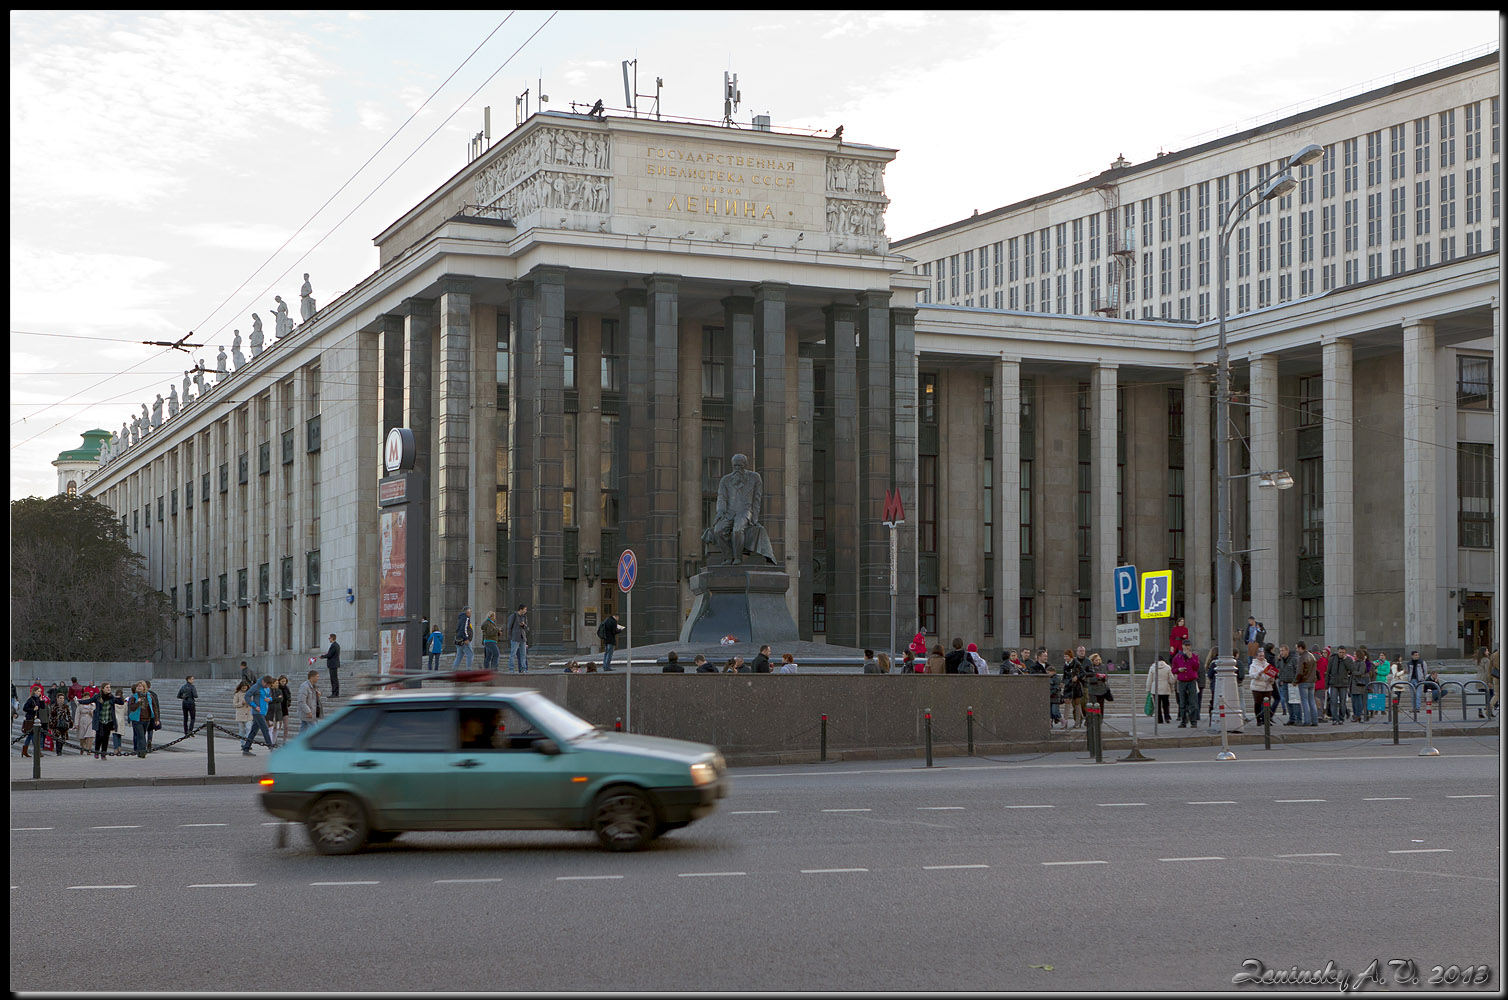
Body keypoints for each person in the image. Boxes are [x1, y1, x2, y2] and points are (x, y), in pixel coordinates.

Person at [78, 683, 123, 760]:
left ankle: (103, 753)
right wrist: (80, 701)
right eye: (107, 687)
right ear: (102, 688)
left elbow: (121, 702)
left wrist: (120, 697)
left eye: (109, 687)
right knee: (100, 736)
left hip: (108, 720)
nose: (109, 689)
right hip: (100, 720)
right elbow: (89, 700)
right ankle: (97, 751)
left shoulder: (111, 697)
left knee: (106, 737)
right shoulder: (97, 696)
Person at [241, 676, 275, 756]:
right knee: (265, 729)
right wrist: (254, 706)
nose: (268, 687)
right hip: (257, 712)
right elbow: (247, 696)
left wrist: (269, 699)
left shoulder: (267, 688)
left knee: (253, 731)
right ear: (263, 682)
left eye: (269, 685)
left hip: (263, 711)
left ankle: (246, 748)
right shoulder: (256, 687)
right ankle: (270, 747)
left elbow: (269, 697)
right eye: (267, 685)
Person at [1171, 640, 1201, 728]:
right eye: (1186, 645)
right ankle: (1183, 721)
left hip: (1191, 680)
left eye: (1189, 646)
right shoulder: (1177, 657)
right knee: (1182, 702)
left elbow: (1196, 667)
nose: (1187, 647)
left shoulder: (1194, 656)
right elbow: (1173, 669)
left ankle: (1193, 721)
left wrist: (1190, 658)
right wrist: (1178, 670)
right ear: (1183, 646)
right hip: (1182, 681)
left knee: (1193, 702)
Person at [1249, 651, 1278, 727]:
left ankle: (1266, 720)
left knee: (1267, 704)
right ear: (1256, 657)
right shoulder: (1253, 665)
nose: (1261, 657)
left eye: (1262, 656)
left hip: (1267, 687)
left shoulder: (1267, 665)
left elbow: (1272, 675)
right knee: (1258, 703)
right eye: (1260, 656)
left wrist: (1272, 679)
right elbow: (1251, 675)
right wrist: (1258, 674)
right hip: (1257, 687)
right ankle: (1258, 720)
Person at [20, 684, 49, 757]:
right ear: (35, 691)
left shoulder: (38, 699)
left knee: (30, 736)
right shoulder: (31, 699)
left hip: (36, 719)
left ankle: (25, 751)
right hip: (30, 718)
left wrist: (41, 700)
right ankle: (37, 751)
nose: (40, 692)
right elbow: (25, 708)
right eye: (38, 691)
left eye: (40, 691)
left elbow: (42, 707)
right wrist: (33, 709)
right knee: (33, 735)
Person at [1327, 647, 1353, 724]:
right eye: (1340, 652)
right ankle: (1335, 718)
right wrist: (1327, 684)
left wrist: (1345, 660)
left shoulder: (1348, 660)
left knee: (1342, 702)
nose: (1341, 654)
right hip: (1334, 683)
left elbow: (1352, 669)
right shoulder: (1332, 659)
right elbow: (1328, 671)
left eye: (1343, 652)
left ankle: (1341, 717)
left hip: (1343, 683)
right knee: (1333, 701)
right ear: (1338, 652)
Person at [1062, 649, 1087, 729]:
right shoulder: (1065, 665)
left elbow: (1083, 673)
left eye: (1067, 656)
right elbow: (1064, 675)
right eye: (1064, 656)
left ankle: (1077, 722)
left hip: (1076, 686)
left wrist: (1077, 677)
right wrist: (1063, 682)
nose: (1065, 658)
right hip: (1068, 686)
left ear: (1071, 656)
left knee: (1077, 704)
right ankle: (1064, 722)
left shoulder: (1076, 663)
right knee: (1067, 703)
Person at [1295, 643, 1318, 727]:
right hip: (1312, 681)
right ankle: (1315, 720)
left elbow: (1300, 672)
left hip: (1304, 681)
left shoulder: (1302, 657)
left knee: (1305, 701)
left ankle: (1307, 720)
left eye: (1297, 648)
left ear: (1301, 648)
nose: (1296, 650)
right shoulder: (1312, 656)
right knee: (1312, 701)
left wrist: (1296, 680)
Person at [127, 681, 152, 758]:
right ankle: (142, 752)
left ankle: (139, 750)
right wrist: (137, 703)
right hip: (137, 720)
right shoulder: (134, 697)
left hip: (146, 719)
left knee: (141, 735)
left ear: (144, 687)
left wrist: (156, 718)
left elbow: (153, 707)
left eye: (140, 686)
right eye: (137, 686)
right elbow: (131, 708)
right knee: (141, 736)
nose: (138, 687)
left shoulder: (149, 696)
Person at [1147, 655, 1175, 724]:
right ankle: (1167, 717)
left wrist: (1148, 688)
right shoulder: (1167, 667)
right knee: (1166, 704)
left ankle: (1159, 719)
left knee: (1157, 705)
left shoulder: (1153, 668)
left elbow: (1149, 679)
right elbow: (1171, 680)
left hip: (1155, 688)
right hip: (1165, 688)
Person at [505, 605, 529, 673]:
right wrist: (510, 637)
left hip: (523, 638)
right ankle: (511, 669)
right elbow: (509, 627)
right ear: (520, 609)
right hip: (515, 638)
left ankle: (523, 668)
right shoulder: (514, 616)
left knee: (523, 655)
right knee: (513, 654)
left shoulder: (524, 617)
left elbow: (527, 628)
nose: (526, 611)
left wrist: (524, 625)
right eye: (525, 609)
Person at [48, 691, 72, 756]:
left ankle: (60, 750)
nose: (62, 700)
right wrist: (51, 725)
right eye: (60, 698)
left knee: (62, 739)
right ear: (57, 699)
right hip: (56, 725)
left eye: (63, 698)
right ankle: (58, 751)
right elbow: (51, 716)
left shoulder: (66, 707)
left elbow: (69, 715)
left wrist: (70, 723)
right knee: (57, 738)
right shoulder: (54, 706)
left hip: (64, 725)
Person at [274, 675, 292, 743]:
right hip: (278, 709)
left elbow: (289, 697)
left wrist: (289, 702)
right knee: (278, 726)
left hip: (285, 709)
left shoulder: (286, 688)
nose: (283, 683)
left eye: (285, 681)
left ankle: (284, 741)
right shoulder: (277, 689)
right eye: (282, 681)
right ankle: (274, 740)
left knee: (286, 726)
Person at [1047, 665, 1064, 729]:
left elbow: (1056, 688)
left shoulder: (1056, 678)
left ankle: (1063, 721)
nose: (1048, 674)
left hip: (1055, 697)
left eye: (1049, 672)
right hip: (1050, 697)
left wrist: (1050, 693)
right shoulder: (1049, 678)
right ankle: (1050, 723)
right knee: (1050, 712)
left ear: (1053, 672)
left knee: (1055, 711)